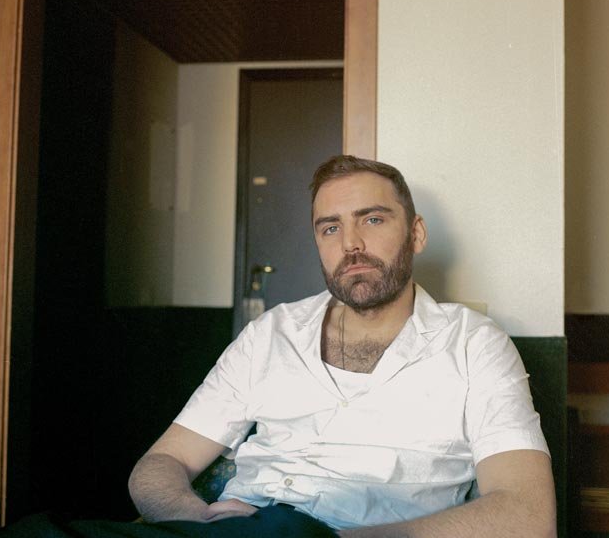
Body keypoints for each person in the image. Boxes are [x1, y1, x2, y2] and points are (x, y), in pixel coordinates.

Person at [127, 155, 556, 537]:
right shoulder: (271, 333)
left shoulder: (473, 344)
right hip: (237, 527)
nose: (350, 243)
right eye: (331, 228)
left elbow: (528, 515)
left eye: (372, 220)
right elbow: (163, 461)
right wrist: (192, 518)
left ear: (416, 234)